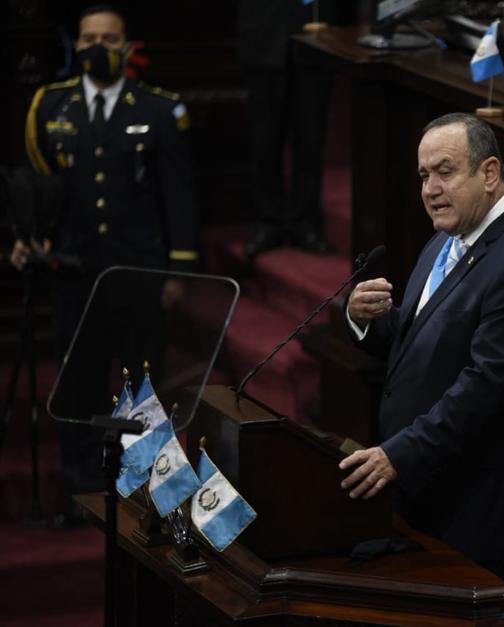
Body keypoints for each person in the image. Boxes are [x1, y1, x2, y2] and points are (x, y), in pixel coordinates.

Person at [340, 113, 504, 580]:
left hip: (483, 513)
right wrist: (368, 320)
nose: (430, 188)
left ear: (488, 173)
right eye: (424, 175)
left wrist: (398, 455)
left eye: (444, 171)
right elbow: (425, 343)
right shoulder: (449, 238)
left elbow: (486, 387)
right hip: (432, 495)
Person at [10, 4, 198, 524]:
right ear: (77, 42)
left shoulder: (159, 109)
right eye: (89, 36)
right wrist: (29, 239)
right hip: (73, 272)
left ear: (126, 46)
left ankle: (146, 492)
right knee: (78, 383)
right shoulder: (51, 106)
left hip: (138, 272)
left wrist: (179, 269)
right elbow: (40, 187)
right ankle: (82, 491)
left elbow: (178, 196)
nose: (98, 46)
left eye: (108, 38)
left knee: (142, 384)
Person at [238, 0, 335, 258]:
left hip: (314, 37)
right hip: (262, 39)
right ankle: (268, 222)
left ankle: (306, 222)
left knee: (310, 141)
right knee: (263, 144)